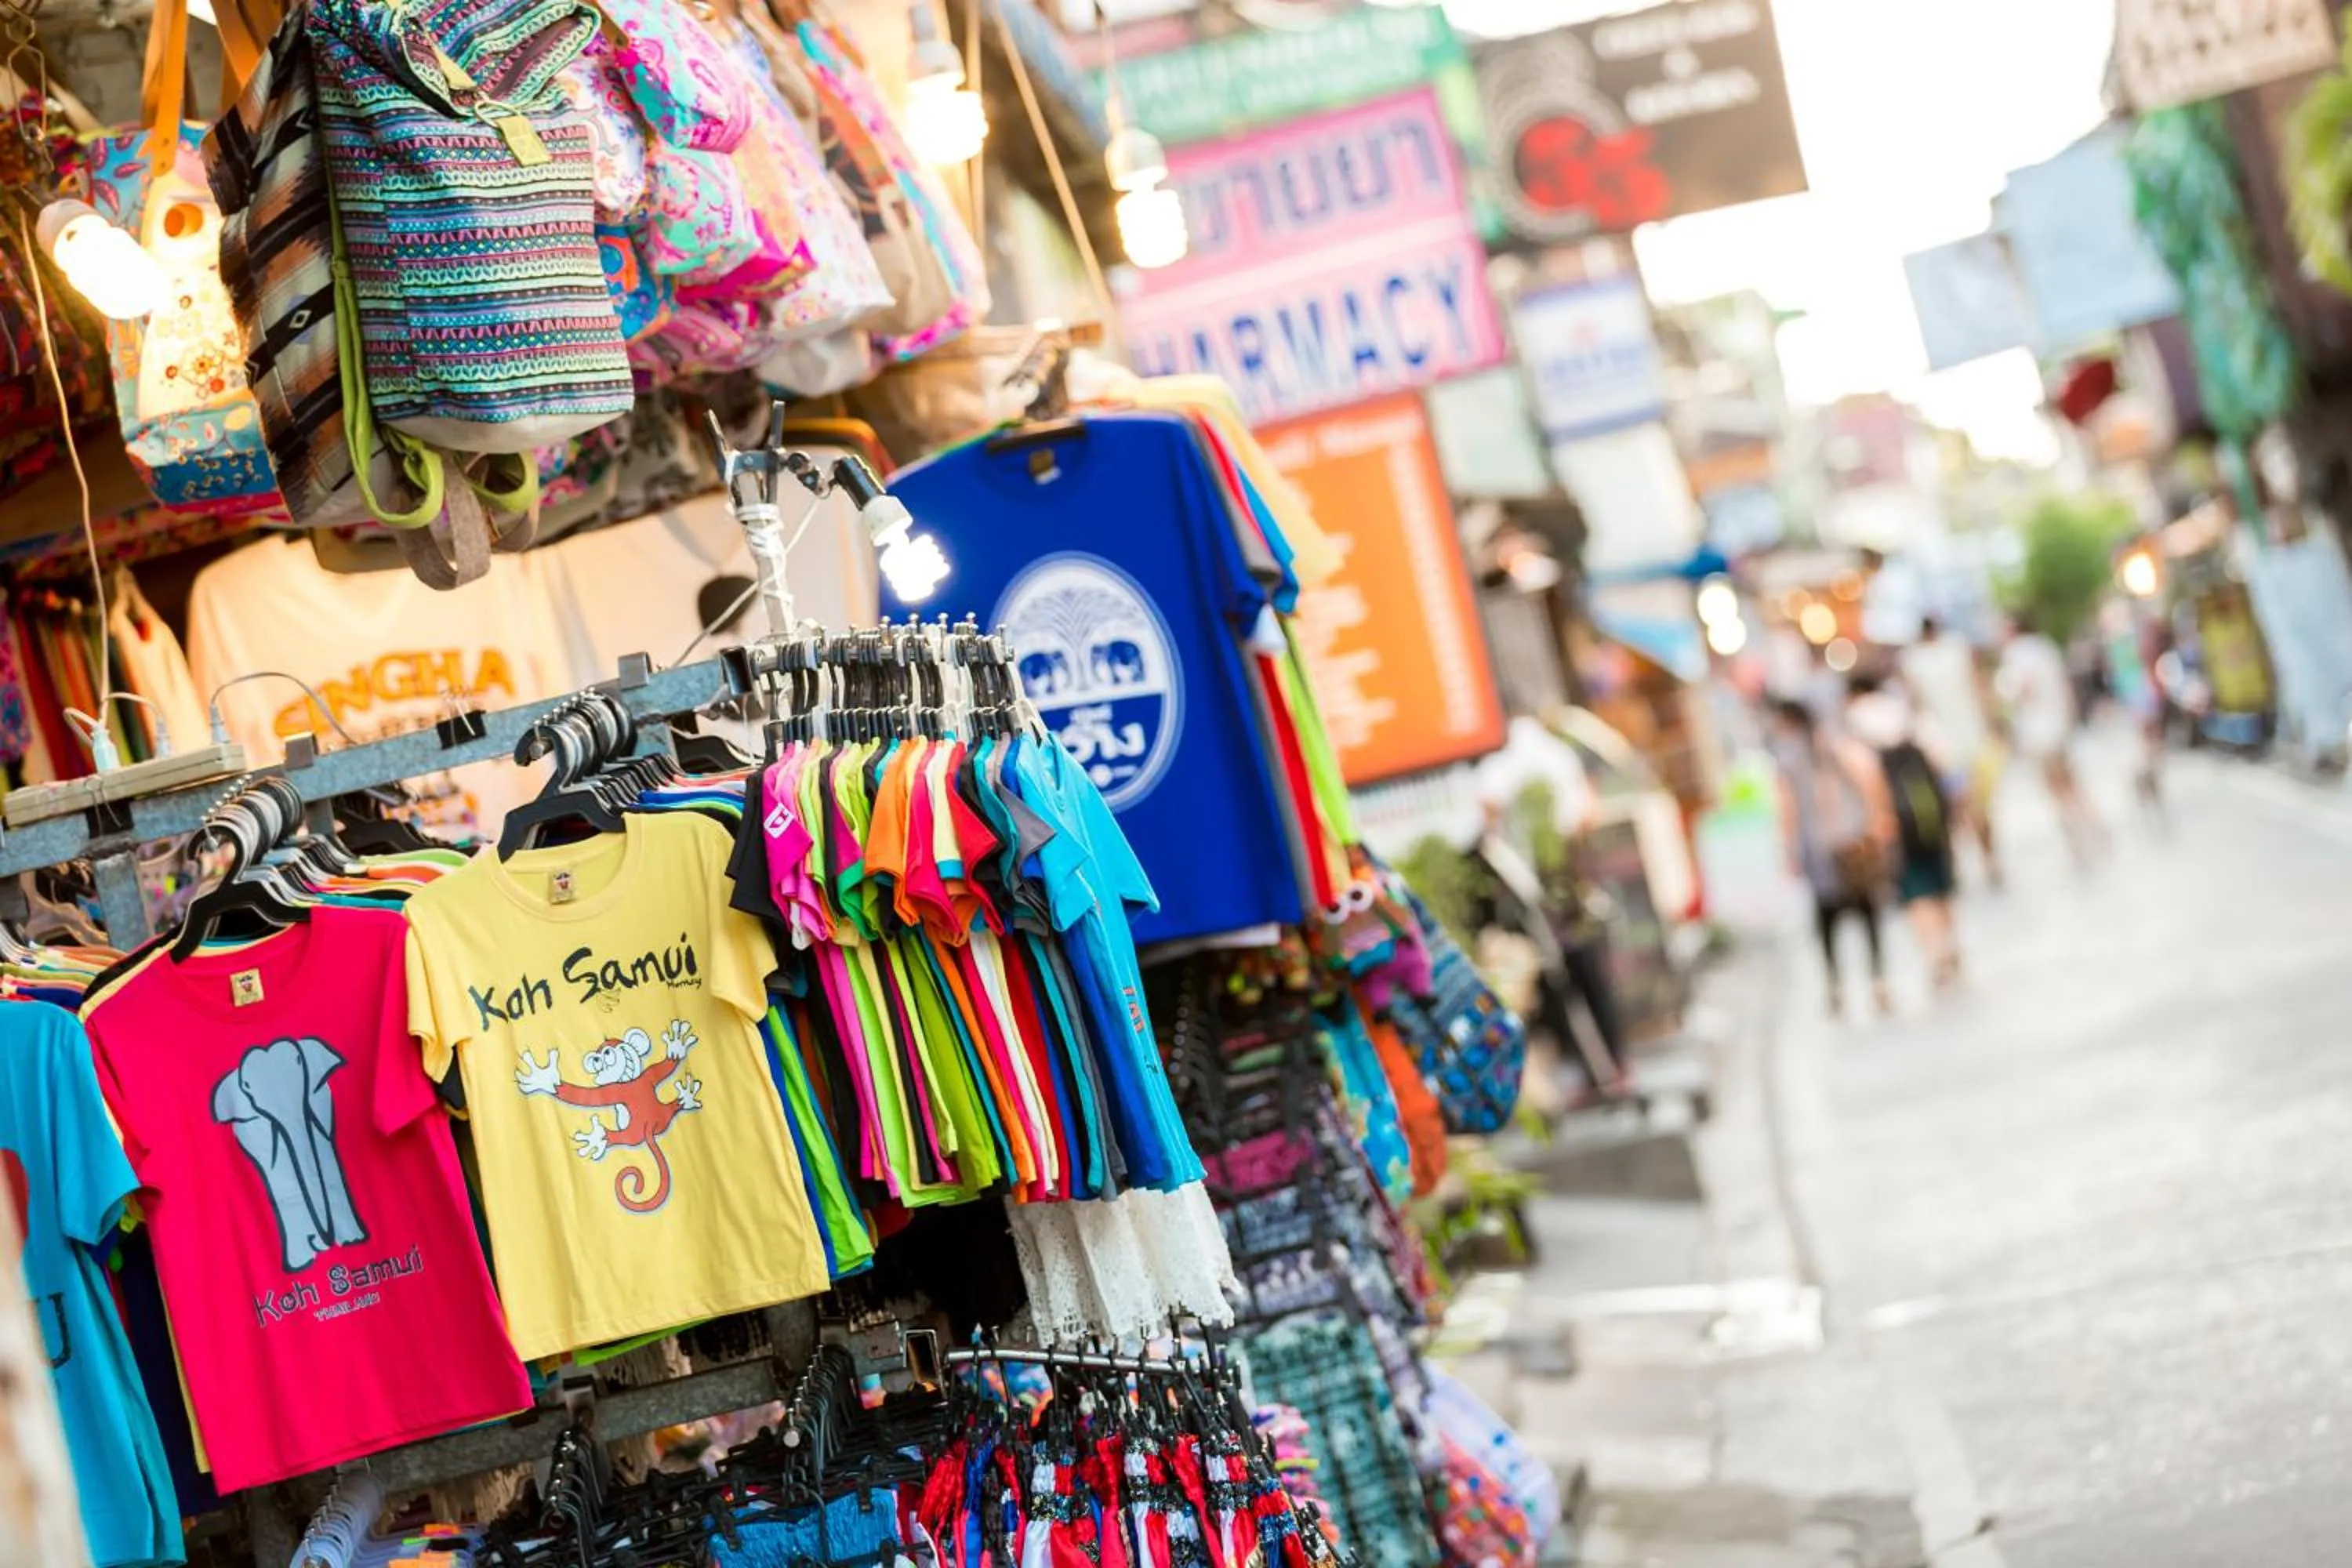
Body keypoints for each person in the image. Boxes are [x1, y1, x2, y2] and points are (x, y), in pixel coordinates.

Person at [1769, 698, 1895, 1017]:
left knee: (1828, 918)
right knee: (1866, 912)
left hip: (1824, 849)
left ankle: (1837, 983)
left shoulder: (1792, 758)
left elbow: (1787, 807)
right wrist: (1876, 820)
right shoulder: (1835, 748)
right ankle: (1877, 978)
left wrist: (1789, 849)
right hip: (1851, 840)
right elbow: (1869, 778)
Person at [1846, 677, 1963, 986]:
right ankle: (1950, 943)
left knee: (1914, 889)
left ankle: (1933, 952)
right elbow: (1941, 757)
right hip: (1928, 810)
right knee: (1939, 882)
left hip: (1894, 820)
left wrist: (1878, 817)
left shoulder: (1855, 725)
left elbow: (1864, 775)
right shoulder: (1905, 713)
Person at [1898, 616, 2002, 888]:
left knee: (1958, 810)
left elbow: (1915, 705)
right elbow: (1979, 689)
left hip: (1944, 748)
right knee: (1978, 807)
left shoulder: (1913, 661)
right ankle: (1988, 859)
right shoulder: (1956, 649)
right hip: (1973, 741)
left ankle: (1966, 861)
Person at [1996, 612, 2105, 863]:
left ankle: (2077, 843)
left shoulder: (2017, 654)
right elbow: (2065, 687)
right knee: (2074, 784)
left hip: (2038, 732)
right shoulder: (2045, 647)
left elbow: (2024, 689)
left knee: (2057, 790)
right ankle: (2096, 830)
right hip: (2058, 725)